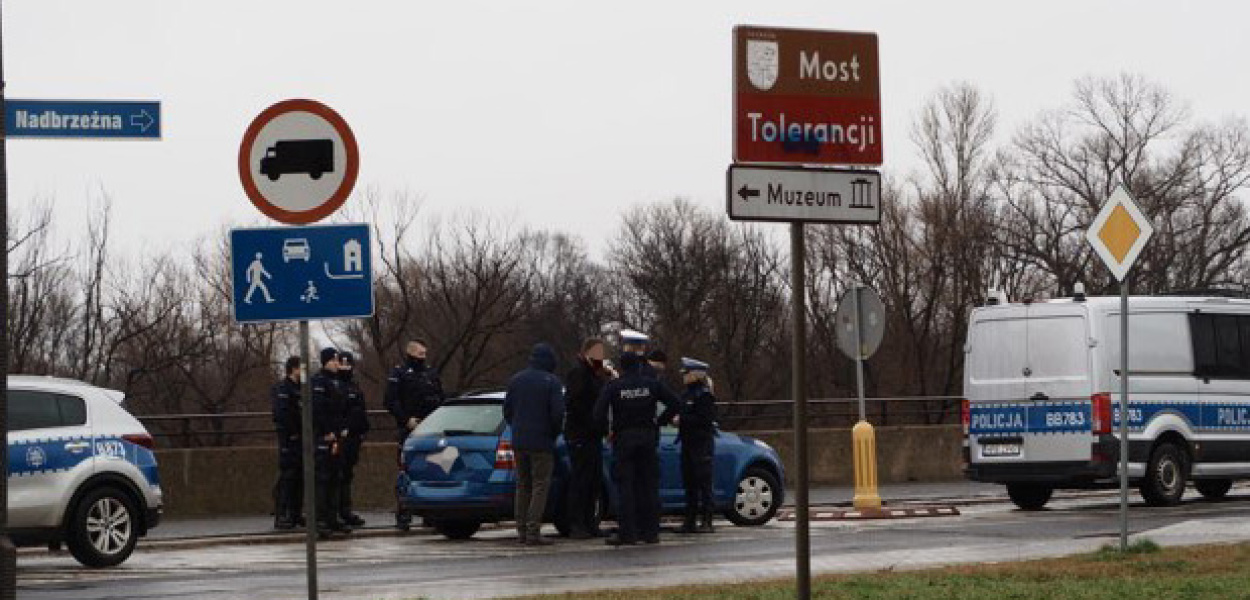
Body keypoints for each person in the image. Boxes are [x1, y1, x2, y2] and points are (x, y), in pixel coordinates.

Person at [594, 342, 679, 547]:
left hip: (624, 439)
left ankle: (628, 533)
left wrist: (606, 432)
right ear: (639, 365)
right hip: (648, 438)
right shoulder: (651, 384)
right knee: (648, 486)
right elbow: (676, 403)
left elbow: (598, 413)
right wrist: (659, 421)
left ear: (622, 367)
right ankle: (650, 532)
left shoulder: (614, 386)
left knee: (626, 487)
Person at [503, 343, 565, 546]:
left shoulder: (516, 380)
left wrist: (517, 428)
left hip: (519, 440)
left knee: (522, 485)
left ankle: (521, 530)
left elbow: (507, 411)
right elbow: (558, 414)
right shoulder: (552, 382)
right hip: (542, 440)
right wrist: (553, 433)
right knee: (540, 485)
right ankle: (533, 531)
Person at [383, 339, 446, 530]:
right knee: (406, 472)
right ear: (410, 353)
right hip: (410, 429)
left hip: (432, 429)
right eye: (420, 354)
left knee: (435, 469)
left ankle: (432, 514)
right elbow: (390, 401)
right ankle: (404, 514)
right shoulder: (399, 374)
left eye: (424, 354)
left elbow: (440, 397)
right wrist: (405, 420)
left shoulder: (430, 373)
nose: (423, 357)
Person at [562, 338, 616, 539]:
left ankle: (590, 522)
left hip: (593, 436)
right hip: (581, 435)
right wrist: (593, 422)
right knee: (581, 480)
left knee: (593, 480)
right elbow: (575, 403)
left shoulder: (594, 375)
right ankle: (577, 524)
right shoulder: (578, 373)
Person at [672, 358, 719, 534]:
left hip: (701, 444)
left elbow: (705, 420)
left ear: (696, 375)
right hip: (687, 443)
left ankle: (707, 520)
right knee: (689, 482)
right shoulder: (686, 395)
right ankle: (689, 521)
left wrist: (682, 419)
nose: (684, 376)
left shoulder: (704, 395)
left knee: (704, 483)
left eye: (687, 373)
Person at [311, 347, 352, 537]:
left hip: (339, 436)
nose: (338, 364)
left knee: (337, 477)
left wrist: (342, 428)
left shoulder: (339, 381)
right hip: (325, 437)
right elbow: (318, 409)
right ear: (326, 361)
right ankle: (321, 519)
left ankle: (333, 517)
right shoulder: (319, 382)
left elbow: (345, 407)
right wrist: (327, 431)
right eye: (334, 360)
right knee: (323, 478)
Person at [271, 356, 303, 530]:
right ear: (294, 369)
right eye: (301, 368)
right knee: (288, 476)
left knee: (300, 477)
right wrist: (292, 433)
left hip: (301, 439)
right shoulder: (283, 388)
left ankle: (295, 513)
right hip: (289, 439)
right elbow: (282, 414)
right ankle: (282, 514)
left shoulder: (301, 388)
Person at [337, 351, 369, 528]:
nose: (345, 368)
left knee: (347, 474)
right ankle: (338, 511)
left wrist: (363, 431)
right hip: (341, 436)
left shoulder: (354, 386)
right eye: (342, 364)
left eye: (348, 364)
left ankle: (345, 510)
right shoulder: (335, 386)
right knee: (339, 475)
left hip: (354, 437)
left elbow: (361, 410)